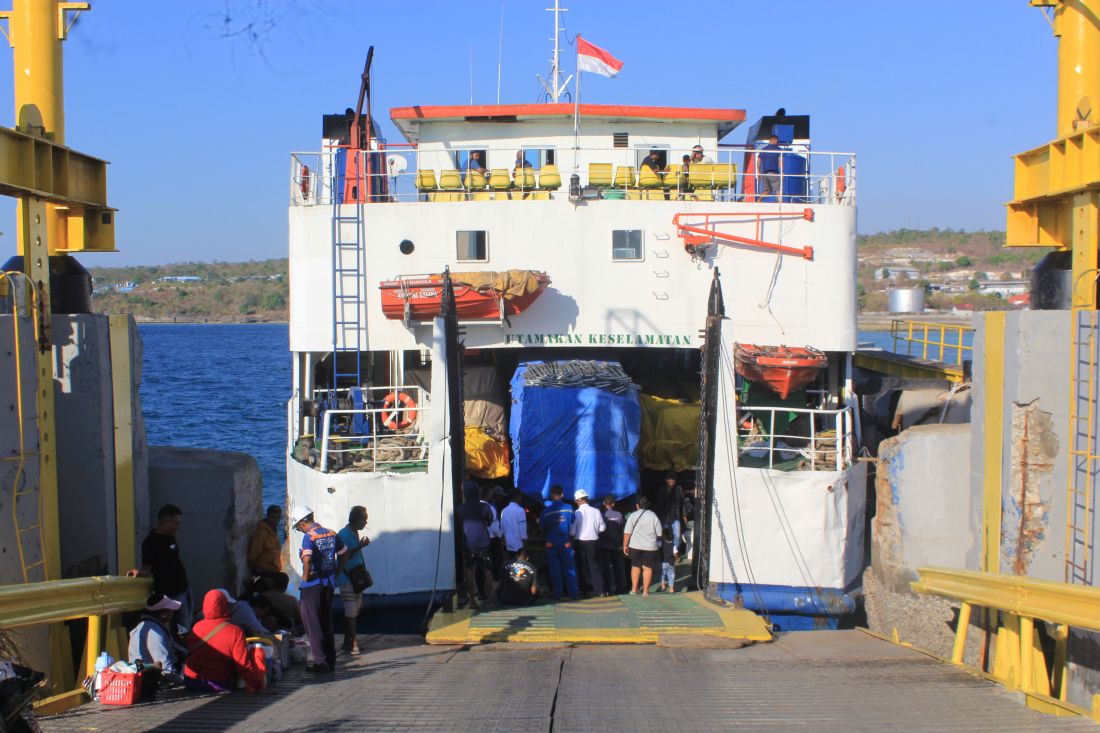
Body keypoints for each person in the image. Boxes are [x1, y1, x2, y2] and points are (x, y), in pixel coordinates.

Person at [290, 504, 346, 673]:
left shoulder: (309, 537)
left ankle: (320, 662)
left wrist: (305, 577)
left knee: (313, 624)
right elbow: (344, 553)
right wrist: (337, 571)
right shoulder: (331, 533)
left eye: (298, 527)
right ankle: (331, 660)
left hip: (312, 586)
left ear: (302, 524)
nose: (299, 530)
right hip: (328, 584)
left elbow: (307, 559)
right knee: (326, 622)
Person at [183, 589, 266, 693]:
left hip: (192, 682)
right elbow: (243, 665)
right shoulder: (235, 631)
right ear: (224, 606)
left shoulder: (196, 627)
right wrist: (258, 685)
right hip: (218, 684)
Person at [128, 504, 192, 634]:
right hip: (170, 593)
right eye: (176, 523)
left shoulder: (171, 538)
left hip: (184, 588)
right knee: (176, 627)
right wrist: (138, 573)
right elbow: (147, 568)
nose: (178, 527)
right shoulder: (150, 543)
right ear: (166, 522)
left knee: (186, 626)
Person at [128, 592, 186, 685]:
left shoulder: (145, 625)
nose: (173, 612)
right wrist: (183, 683)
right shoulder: (155, 632)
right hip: (152, 680)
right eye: (170, 610)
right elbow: (165, 667)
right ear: (163, 614)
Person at [335, 505, 370, 656]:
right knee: (350, 612)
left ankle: (347, 642)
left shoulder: (353, 532)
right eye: (364, 519)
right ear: (357, 519)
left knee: (353, 611)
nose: (366, 523)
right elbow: (343, 555)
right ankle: (353, 643)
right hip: (347, 578)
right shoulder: (344, 534)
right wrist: (360, 546)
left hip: (356, 578)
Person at [456, 481, 495, 610]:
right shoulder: (485, 507)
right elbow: (489, 522)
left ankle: (472, 601)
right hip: (483, 543)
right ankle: (490, 600)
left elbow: (460, 526)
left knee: (469, 572)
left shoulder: (461, 509)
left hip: (468, 545)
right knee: (487, 571)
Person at [538, 485, 580, 601]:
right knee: (569, 568)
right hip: (565, 543)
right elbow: (572, 522)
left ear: (552, 496)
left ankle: (558, 593)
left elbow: (541, 527)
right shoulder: (569, 508)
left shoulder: (546, 511)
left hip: (551, 543)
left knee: (555, 569)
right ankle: (573, 593)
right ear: (562, 494)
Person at [623, 496, 663, 596]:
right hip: (650, 547)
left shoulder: (632, 515)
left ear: (637, 505)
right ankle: (645, 591)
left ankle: (634, 590)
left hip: (635, 546)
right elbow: (659, 533)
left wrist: (625, 545)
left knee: (635, 566)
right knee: (648, 568)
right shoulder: (653, 515)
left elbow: (627, 532)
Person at [571, 489, 605, 597]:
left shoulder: (576, 513)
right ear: (587, 499)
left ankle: (584, 590)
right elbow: (603, 528)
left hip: (580, 542)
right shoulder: (596, 511)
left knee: (582, 567)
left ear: (577, 501)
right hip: (593, 542)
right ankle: (600, 590)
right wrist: (594, 531)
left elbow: (572, 531)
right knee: (594, 566)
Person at [597, 495, 626, 595]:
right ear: (613, 504)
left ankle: (608, 589)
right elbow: (622, 529)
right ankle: (619, 588)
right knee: (617, 567)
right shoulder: (619, 515)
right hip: (616, 544)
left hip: (603, 544)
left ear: (604, 504)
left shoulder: (601, 515)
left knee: (605, 567)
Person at [247, 505, 284, 581]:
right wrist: (255, 571)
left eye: (278, 517)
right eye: (274, 517)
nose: (276, 520)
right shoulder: (262, 533)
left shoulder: (272, 531)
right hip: (264, 570)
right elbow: (253, 554)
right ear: (268, 517)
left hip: (272, 568)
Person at [661, 472, 686, 556]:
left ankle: (674, 550)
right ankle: (668, 552)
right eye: (669, 479)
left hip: (676, 516)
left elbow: (684, 503)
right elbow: (659, 504)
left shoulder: (679, 489)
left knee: (678, 535)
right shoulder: (662, 489)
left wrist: (684, 514)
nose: (671, 481)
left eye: (673, 479)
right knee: (666, 535)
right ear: (666, 480)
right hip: (665, 516)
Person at [500, 488, 528, 560]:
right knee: (519, 568)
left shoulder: (504, 510)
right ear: (517, 496)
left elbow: (502, 528)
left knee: (510, 565)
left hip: (508, 544)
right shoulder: (520, 510)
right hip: (519, 545)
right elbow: (522, 530)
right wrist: (524, 546)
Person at [659, 527, 677, 593]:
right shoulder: (673, 544)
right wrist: (676, 558)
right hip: (671, 562)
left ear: (663, 535)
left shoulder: (661, 543)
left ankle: (663, 585)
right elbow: (675, 553)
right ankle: (671, 589)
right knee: (671, 575)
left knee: (662, 574)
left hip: (663, 562)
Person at [681, 486, 697, 561]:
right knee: (690, 537)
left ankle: (689, 555)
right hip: (691, 521)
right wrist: (684, 516)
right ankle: (690, 555)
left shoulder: (696, 499)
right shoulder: (687, 500)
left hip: (694, 521)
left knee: (690, 539)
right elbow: (685, 509)